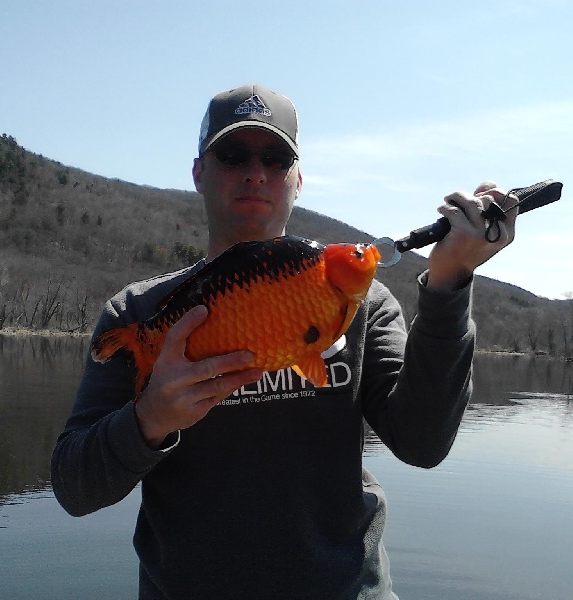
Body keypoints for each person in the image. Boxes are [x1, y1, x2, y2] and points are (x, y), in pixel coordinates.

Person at [51, 83, 517, 599]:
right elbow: (74, 488)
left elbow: (423, 444)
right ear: (199, 174)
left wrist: (451, 282)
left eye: (275, 158)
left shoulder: (364, 304)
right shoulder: (138, 316)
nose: (256, 172)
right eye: (233, 155)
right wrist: (149, 421)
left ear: (298, 180)